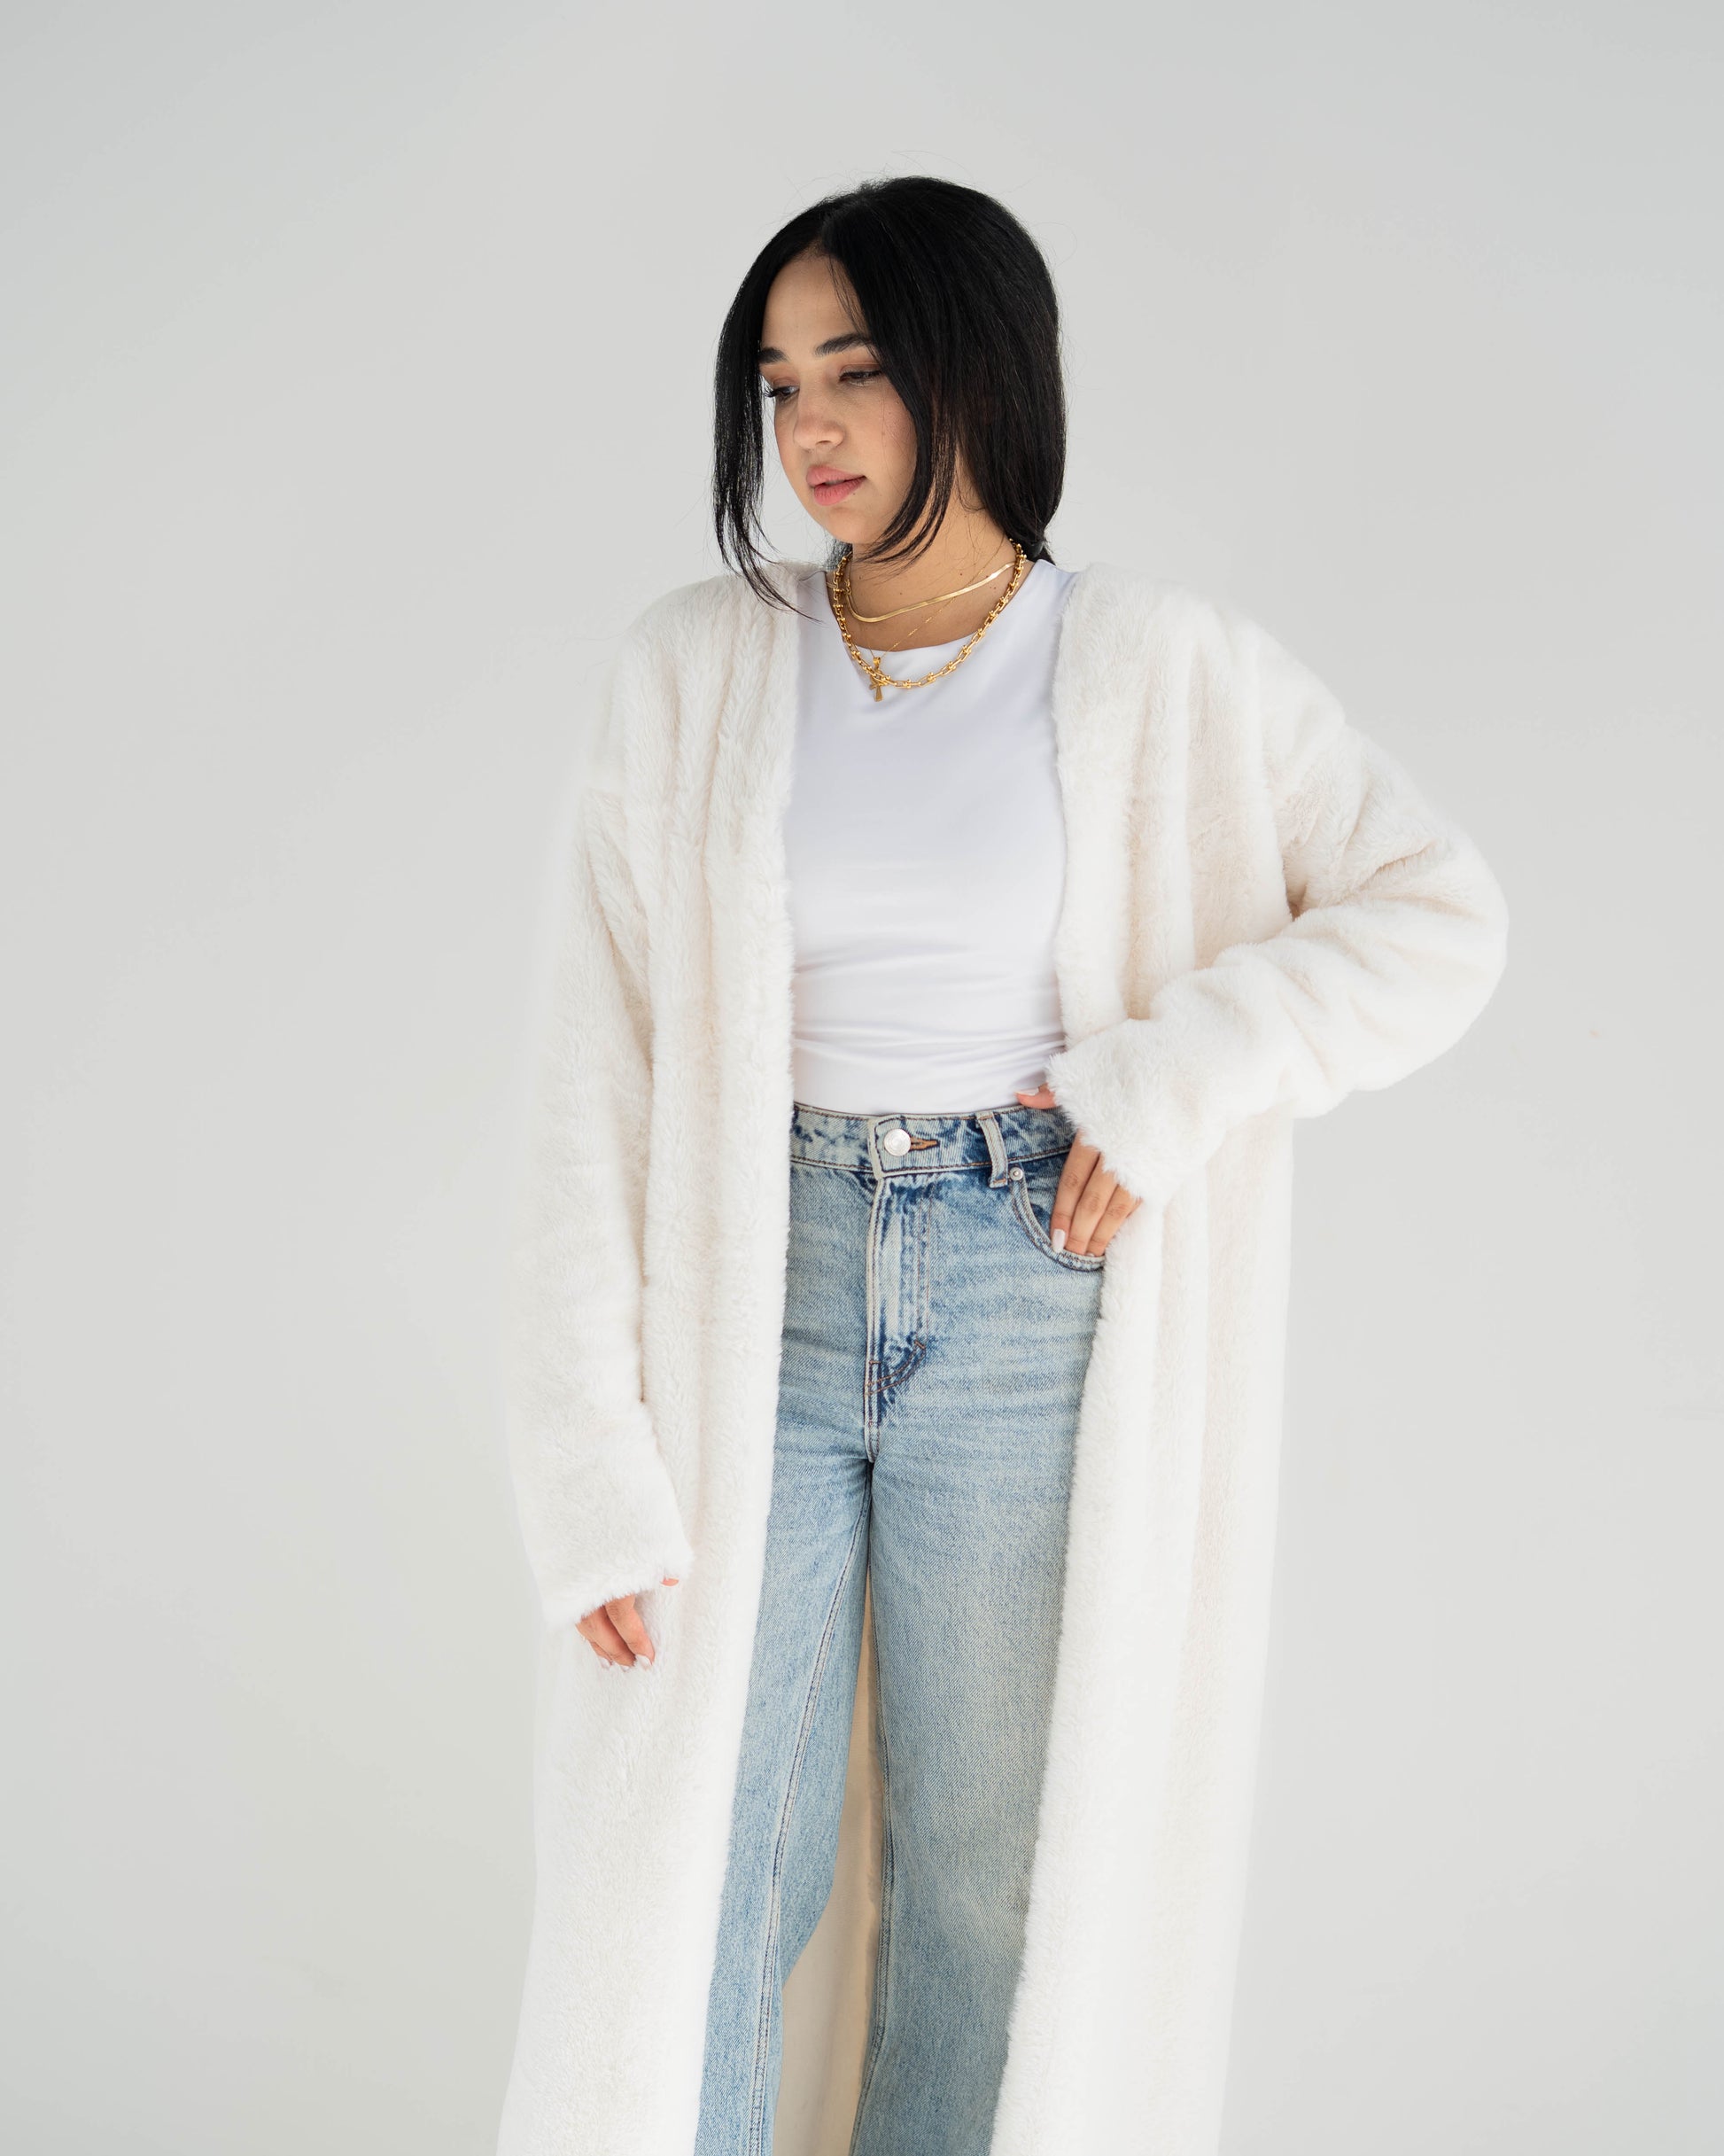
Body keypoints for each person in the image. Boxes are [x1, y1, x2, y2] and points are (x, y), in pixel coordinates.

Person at [495, 178, 1510, 2156]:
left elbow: (1434, 911)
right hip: (754, 1300)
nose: (808, 426)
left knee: (993, 1892)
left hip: (1030, 1286)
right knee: (692, 1861)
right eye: (778, 383)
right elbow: (587, 1074)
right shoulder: (693, 666)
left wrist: (1176, 1075)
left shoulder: (1164, 665)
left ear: (981, 368)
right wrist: (580, 1457)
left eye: (856, 370)